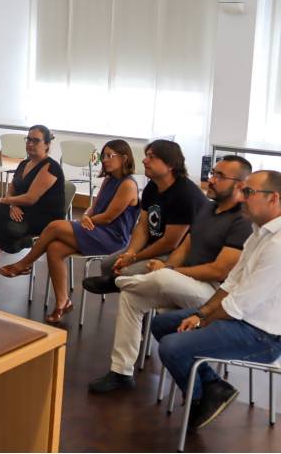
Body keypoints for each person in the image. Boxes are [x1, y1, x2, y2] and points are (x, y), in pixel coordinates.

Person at [88, 156, 253, 393]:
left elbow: (220, 270)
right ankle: (121, 372)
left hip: (215, 293)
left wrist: (171, 271)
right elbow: (186, 244)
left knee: (161, 278)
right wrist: (168, 268)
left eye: (219, 176)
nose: (211, 179)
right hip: (185, 283)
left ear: (240, 184)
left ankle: (118, 281)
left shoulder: (243, 221)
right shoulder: (208, 207)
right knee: (131, 299)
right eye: (213, 173)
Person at [150, 170, 281, 432]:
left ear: (274, 198)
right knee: (162, 324)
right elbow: (231, 283)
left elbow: (239, 304)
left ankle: (201, 397)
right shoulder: (258, 234)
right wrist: (202, 313)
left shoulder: (277, 244)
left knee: (172, 347)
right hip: (241, 318)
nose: (242, 198)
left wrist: (202, 319)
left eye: (249, 192)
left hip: (263, 335)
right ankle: (212, 387)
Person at [0, 139, 140, 322]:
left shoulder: (128, 185)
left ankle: (23, 264)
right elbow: (93, 208)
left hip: (113, 238)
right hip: (95, 229)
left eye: (109, 156)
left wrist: (88, 219)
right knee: (55, 248)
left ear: (124, 158)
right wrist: (87, 215)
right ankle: (63, 303)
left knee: (55, 226)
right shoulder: (109, 180)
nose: (104, 160)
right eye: (103, 155)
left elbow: (109, 217)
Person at [82, 139, 207, 294]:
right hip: (154, 244)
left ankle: (135, 300)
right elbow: (142, 225)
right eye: (147, 155)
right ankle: (122, 287)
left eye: (152, 157)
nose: (144, 160)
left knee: (127, 274)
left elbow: (170, 242)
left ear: (170, 165)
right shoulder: (153, 186)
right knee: (107, 264)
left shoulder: (185, 194)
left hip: (179, 253)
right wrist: (130, 253)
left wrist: (135, 258)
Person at [0, 125, 65, 298]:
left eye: (35, 140)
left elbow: (31, 198)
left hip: (44, 220)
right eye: (28, 139)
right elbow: (12, 188)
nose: (30, 144)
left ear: (46, 145)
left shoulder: (50, 167)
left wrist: (6, 201)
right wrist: (11, 204)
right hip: (23, 212)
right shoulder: (24, 164)